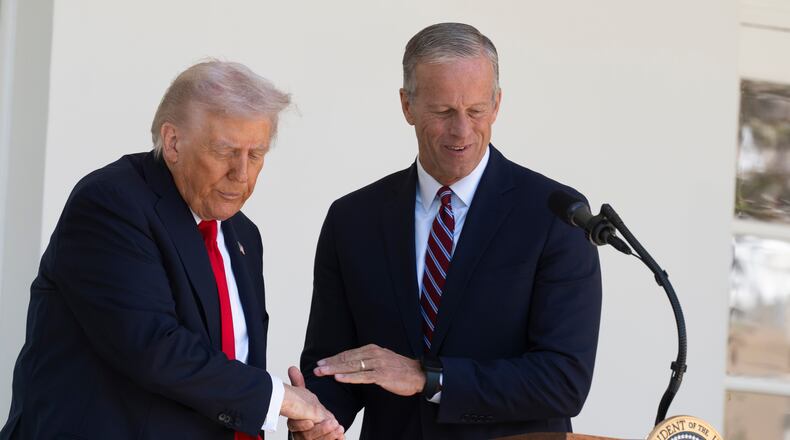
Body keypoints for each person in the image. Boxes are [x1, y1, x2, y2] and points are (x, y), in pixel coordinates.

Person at [0, 61, 343, 440]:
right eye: (225, 151)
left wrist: (295, 420)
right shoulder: (111, 203)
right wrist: (278, 399)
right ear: (173, 141)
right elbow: (153, 347)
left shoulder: (243, 234)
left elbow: (230, 372)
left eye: (256, 154)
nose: (241, 174)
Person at [290, 23, 603, 439]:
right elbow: (337, 364)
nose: (462, 130)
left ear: (496, 105)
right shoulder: (353, 218)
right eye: (443, 112)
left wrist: (429, 378)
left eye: (475, 110)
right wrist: (315, 418)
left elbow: (563, 382)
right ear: (407, 106)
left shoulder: (556, 216)